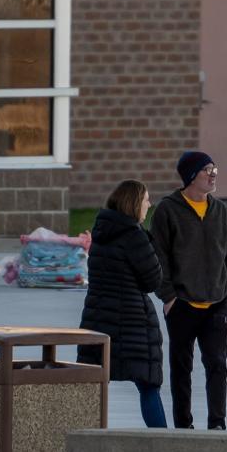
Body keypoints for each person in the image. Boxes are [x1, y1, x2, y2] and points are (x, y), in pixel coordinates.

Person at [150, 151, 227, 430]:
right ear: (191, 176)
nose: (213, 174)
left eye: (214, 168)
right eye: (206, 170)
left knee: (217, 365)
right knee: (181, 370)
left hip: (216, 303)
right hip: (181, 305)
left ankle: (217, 423)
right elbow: (158, 257)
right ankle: (183, 425)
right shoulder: (168, 210)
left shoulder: (220, 211)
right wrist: (168, 296)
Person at [76, 180, 167, 428]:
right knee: (148, 386)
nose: (149, 204)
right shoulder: (134, 237)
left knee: (96, 382)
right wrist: (151, 244)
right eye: (146, 199)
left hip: (98, 320)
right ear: (135, 203)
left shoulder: (101, 234)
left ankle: (87, 435)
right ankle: (162, 445)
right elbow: (153, 279)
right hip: (132, 323)